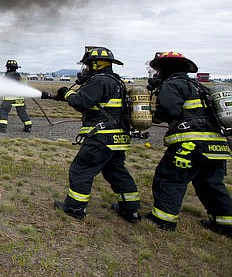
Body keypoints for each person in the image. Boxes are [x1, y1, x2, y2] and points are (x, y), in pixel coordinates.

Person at [42, 46, 141, 221]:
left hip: (101, 137)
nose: (85, 69)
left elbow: (82, 102)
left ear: (96, 64)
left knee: (81, 170)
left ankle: (75, 208)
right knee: (116, 172)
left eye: (88, 66)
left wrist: (67, 92)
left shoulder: (99, 80)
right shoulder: (116, 81)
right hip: (118, 138)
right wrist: (60, 96)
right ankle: (130, 209)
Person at [144, 51, 232, 236]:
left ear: (165, 70)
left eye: (159, 70)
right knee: (210, 184)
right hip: (217, 146)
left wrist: (154, 116)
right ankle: (225, 225)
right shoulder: (199, 87)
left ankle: (163, 220)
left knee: (169, 178)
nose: (157, 74)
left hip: (190, 145)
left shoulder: (173, 84)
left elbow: (169, 109)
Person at [0, 60, 32, 133]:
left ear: (8, 68)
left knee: (3, 111)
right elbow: (25, 86)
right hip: (19, 98)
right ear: (16, 68)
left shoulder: (5, 76)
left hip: (9, 98)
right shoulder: (20, 76)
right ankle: (28, 127)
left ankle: (2, 127)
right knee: (22, 112)